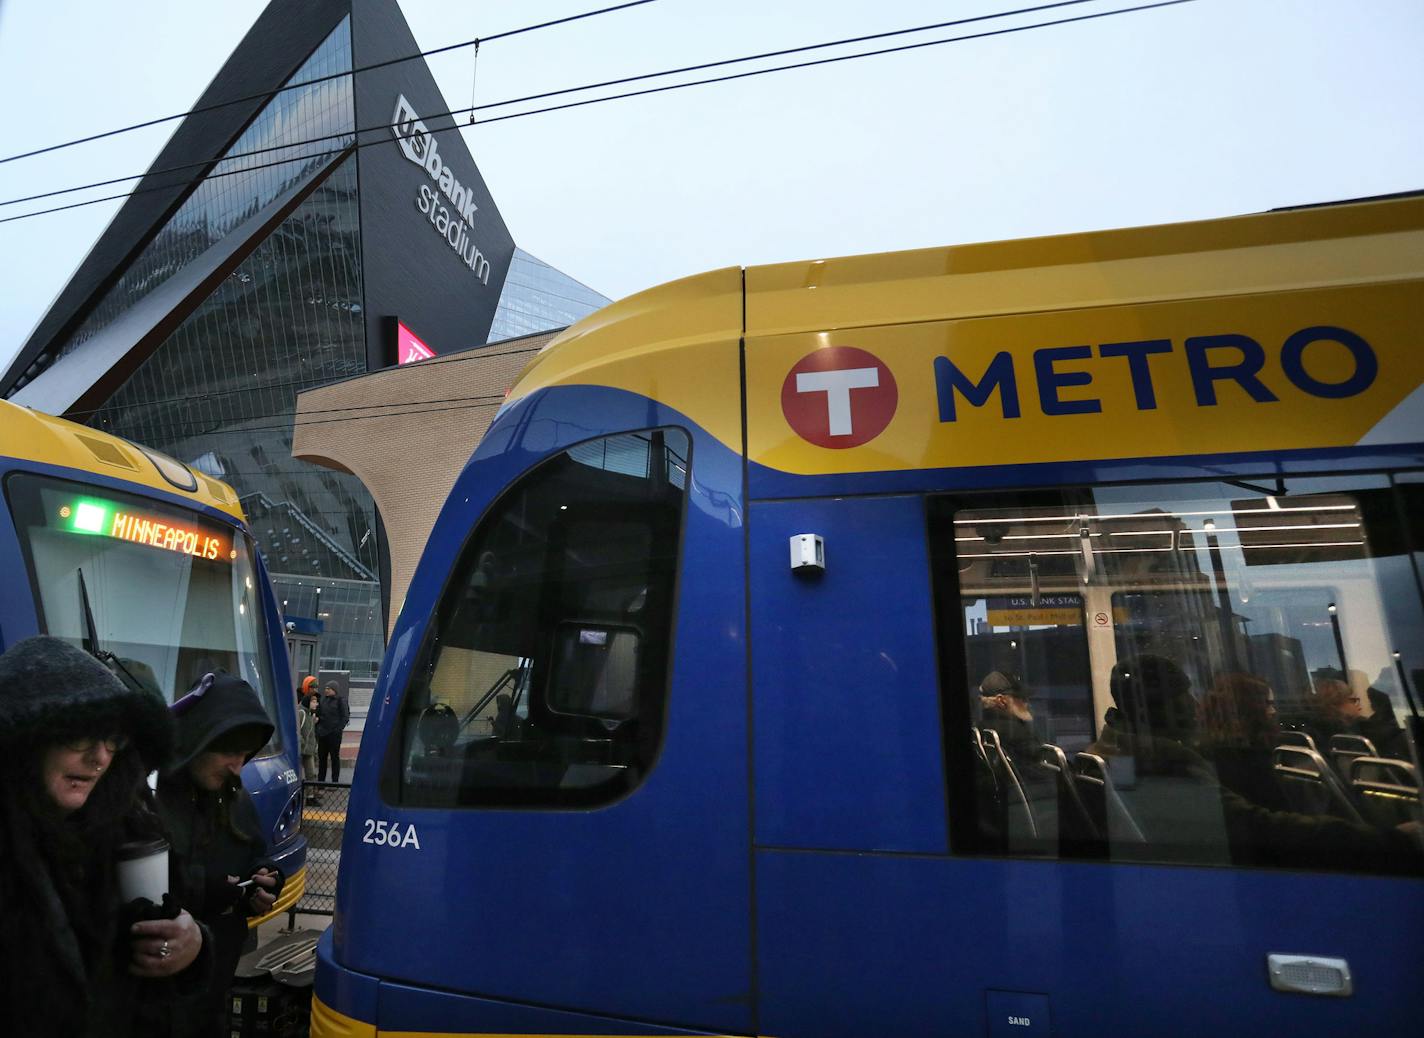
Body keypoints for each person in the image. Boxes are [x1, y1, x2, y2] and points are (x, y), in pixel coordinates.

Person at [0, 636, 209, 1037]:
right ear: (27, 737)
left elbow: (162, 946)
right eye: (80, 735)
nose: (99, 758)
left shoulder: (129, 829)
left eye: (113, 739)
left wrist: (193, 944)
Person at [156, 671, 284, 1038]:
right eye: (229, 751)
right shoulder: (147, 798)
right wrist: (212, 889)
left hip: (216, 983)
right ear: (196, 740)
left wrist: (268, 877)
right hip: (157, 995)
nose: (238, 766)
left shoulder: (233, 796)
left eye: (245, 754)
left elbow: (255, 854)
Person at [978, 670, 1039, 765]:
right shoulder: (1017, 733)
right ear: (1001, 701)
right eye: (1021, 698)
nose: (1027, 703)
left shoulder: (981, 728)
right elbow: (1045, 769)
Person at [316, 680, 350, 782]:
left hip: (334, 735)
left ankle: (335, 781)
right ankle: (320, 781)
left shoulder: (341, 701)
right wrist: (318, 728)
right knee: (322, 759)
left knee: (335, 758)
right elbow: (318, 714)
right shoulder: (322, 700)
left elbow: (345, 717)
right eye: (326, 688)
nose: (326, 690)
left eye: (329, 689)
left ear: (334, 690)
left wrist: (337, 730)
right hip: (322, 734)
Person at [297, 680, 318, 801]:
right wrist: (303, 743)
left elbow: (312, 734)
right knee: (298, 774)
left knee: (311, 774)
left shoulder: (310, 715)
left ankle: (310, 796)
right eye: (314, 702)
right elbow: (297, 731)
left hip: (308, 750)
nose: (316, 704)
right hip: (301, 749)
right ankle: (301, 795)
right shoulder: (302, 713)